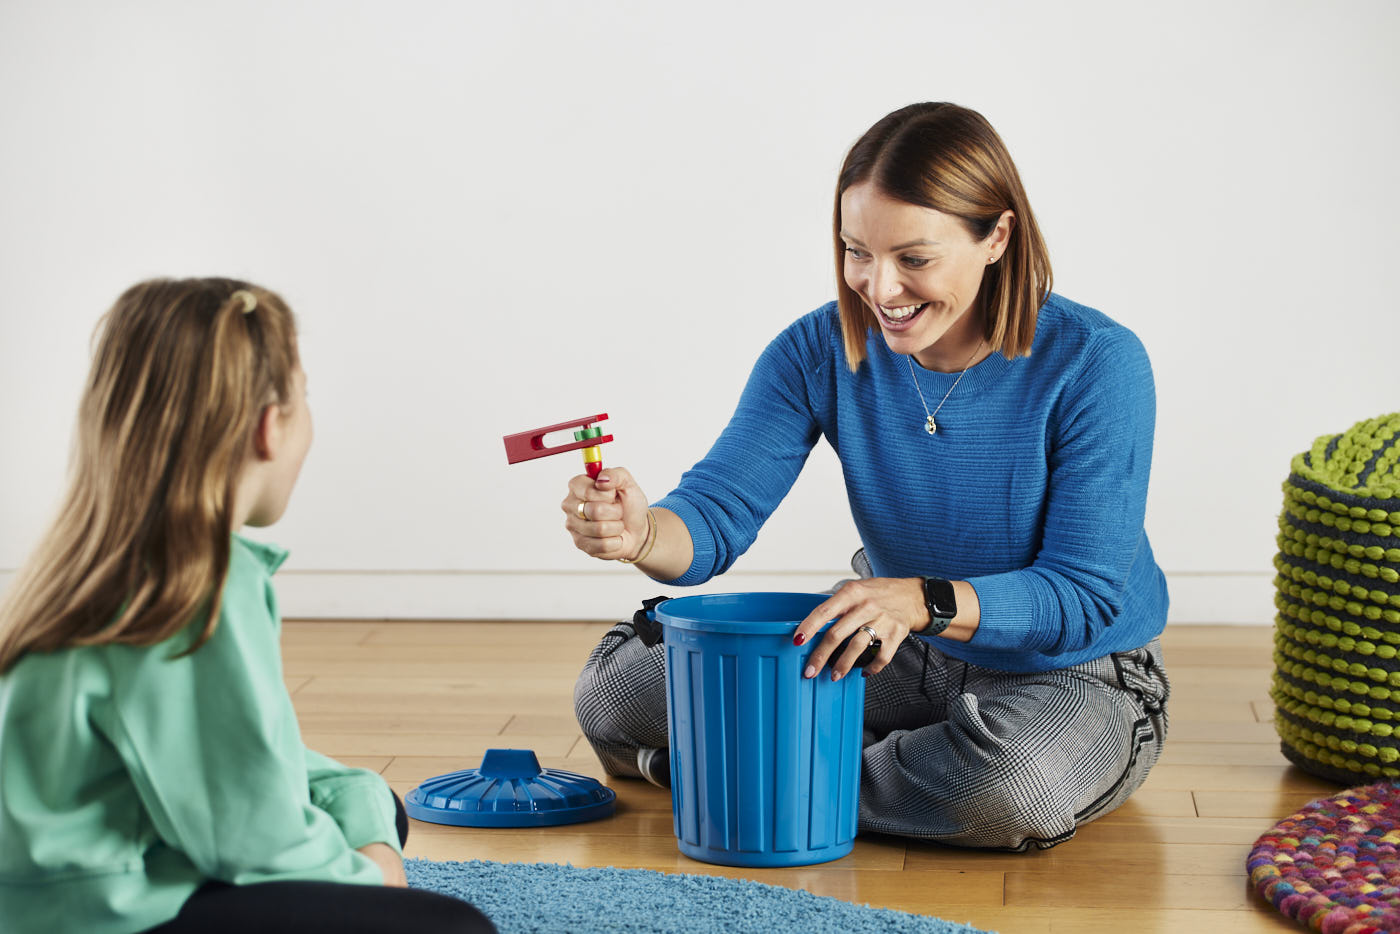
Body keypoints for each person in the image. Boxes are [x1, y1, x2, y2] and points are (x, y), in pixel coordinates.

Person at [564, 102, 1171, 851]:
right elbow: (717, 515)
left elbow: (1082, 595)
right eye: (857, 252)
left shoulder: (1097, 362)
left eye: (914, 258)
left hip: (1068, 668)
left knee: (1010, 786)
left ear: (997, 237)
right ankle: (843, 773)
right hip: (899, 645)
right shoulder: (818, 348)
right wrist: (641, 530)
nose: (879, 290)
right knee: (612, 698)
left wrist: (920, 600)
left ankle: (755, 774)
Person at [0, 279, 494, 933]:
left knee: (377, 808)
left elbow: (242, 756)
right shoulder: (192, 583)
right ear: (270, 426)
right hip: (104, 914)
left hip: (46, 889)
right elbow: (247, 836)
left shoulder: (85, 562)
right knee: (453, 927)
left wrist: (360, 800)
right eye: (304, 395)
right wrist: (372, 875)